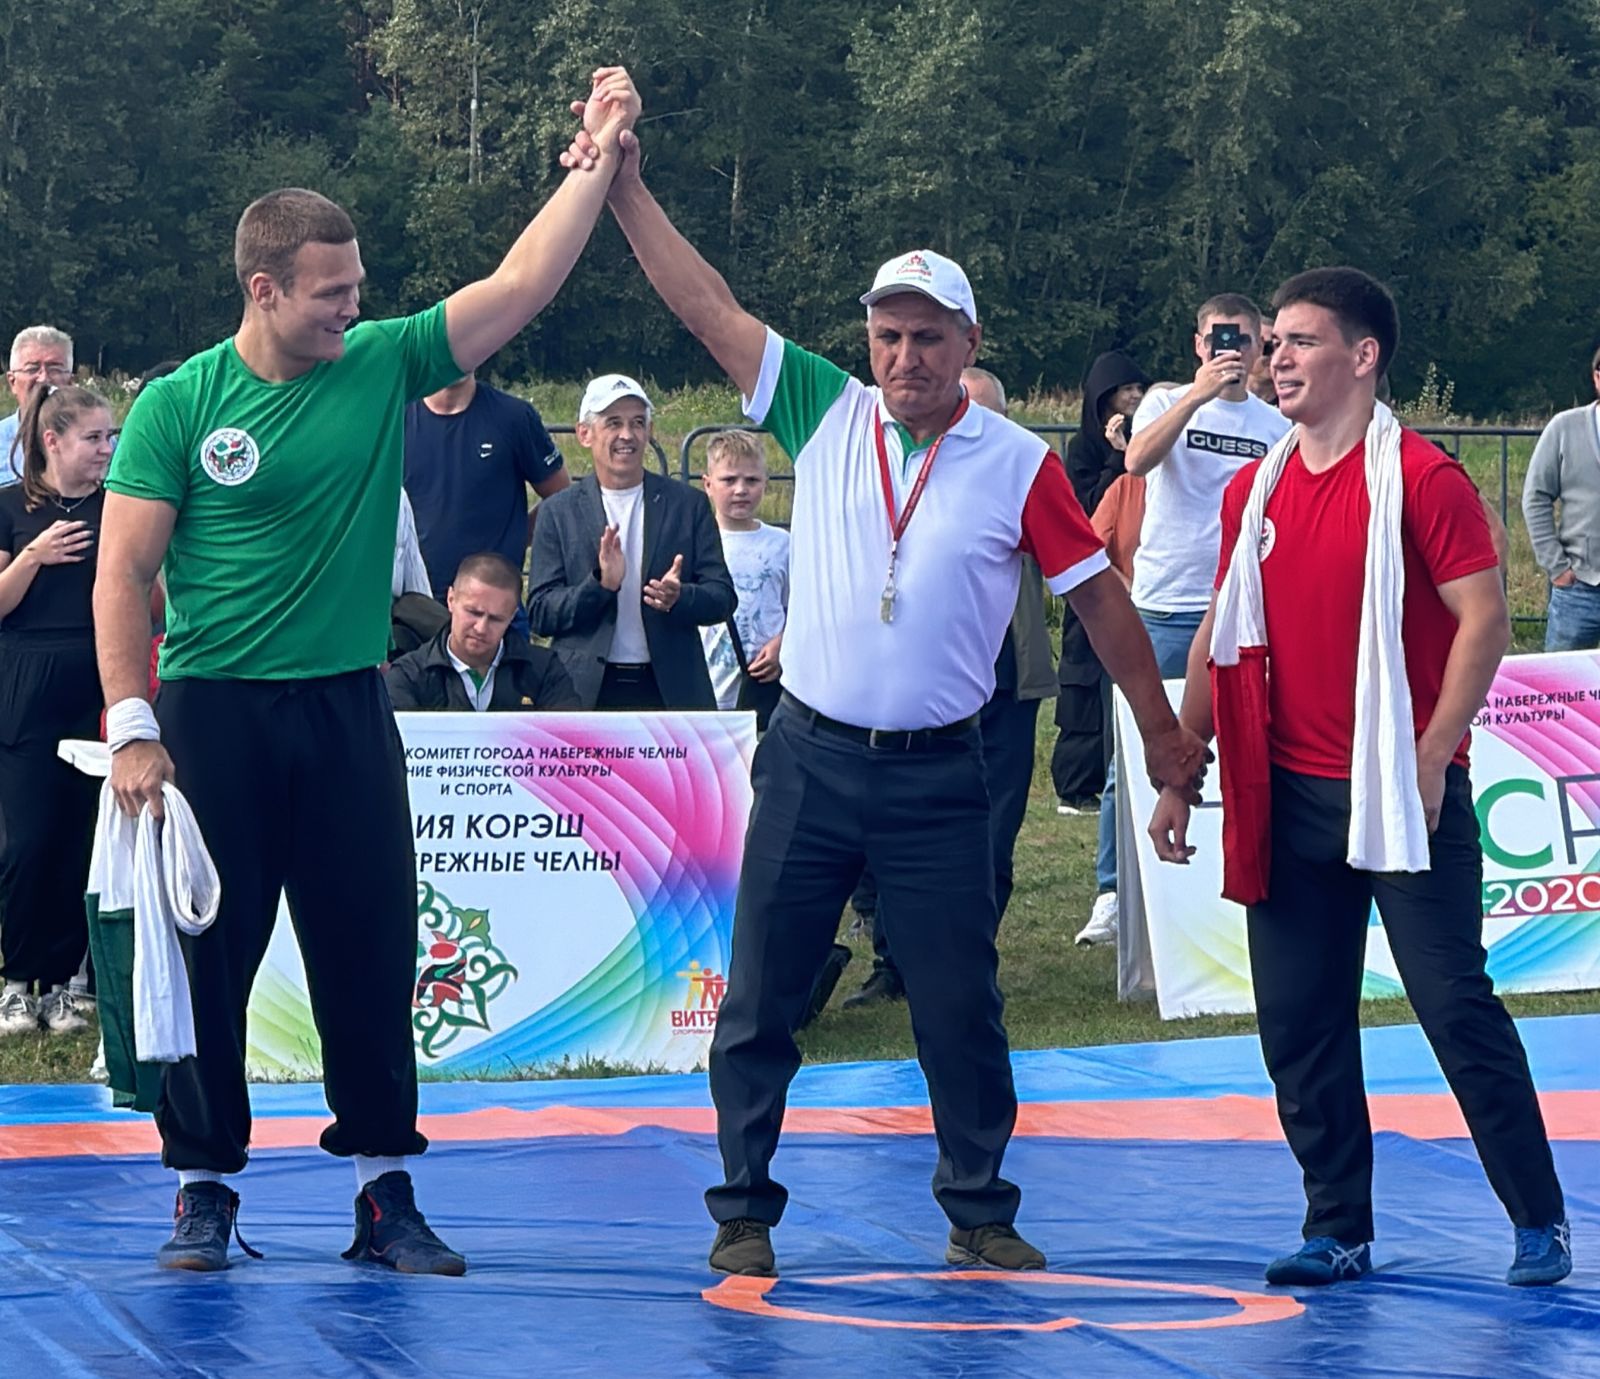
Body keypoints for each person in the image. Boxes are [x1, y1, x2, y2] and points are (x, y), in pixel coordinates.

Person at [562, 106, 1209, 1279]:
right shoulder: (824, 407)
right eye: (886, 334)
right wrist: (625, 190)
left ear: (969, 342)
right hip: (810, 758)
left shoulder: (1017, 462)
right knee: (761, 996)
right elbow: (707, 308)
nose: (903, 357)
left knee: (958, 1002)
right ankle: (742, 1208)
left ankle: (979, 1208)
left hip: (941, 773)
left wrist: (1161, 734)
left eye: (926, 337)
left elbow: (1102, 603)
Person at [93, 66, 643, 1275]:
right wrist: (133, 720)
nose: (355, 306)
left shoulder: (380, 360)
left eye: (358, 288)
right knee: (205, 956)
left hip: (347, 703)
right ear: (265, 289)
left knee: (370, 944)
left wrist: (598, 162)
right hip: (213, 713)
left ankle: (383, 1191)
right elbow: (123, 573)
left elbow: (519, 284)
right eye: (332, 292)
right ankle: (202, 1189)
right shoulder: (179, 404)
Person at [1149, 266, 1571, 1289]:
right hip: (1287, 791)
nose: (1275, 358)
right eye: (1273, 343)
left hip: (1400, 790)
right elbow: (1217, 633)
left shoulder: (1421, 476)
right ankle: (1337, 1224)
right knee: (1299, 1021)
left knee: (1454, 1006)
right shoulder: (1255, 488)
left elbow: (1486, 620)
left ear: (1363, 355)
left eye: (1298, 340)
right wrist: (1179, 768)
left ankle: (1539, 1218)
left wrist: (1431, 753)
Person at [839, 366, 1060, 1011]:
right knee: (897, 827)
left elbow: (1078, 568)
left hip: (1008, 681)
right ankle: (893, 964)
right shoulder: (898, 484)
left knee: (993, 832)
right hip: (923, 688)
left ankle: (967, 962)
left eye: (986, 415)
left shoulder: (1021, 474)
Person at [1079, 296, 1290, 947]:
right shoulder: (1165, 401)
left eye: (1245, 340)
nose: (1232, 351)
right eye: (1220, 338)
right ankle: (1114, 890)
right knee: (1136, 751)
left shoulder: (1274, 423)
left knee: (1248, 746)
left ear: (1260, 348)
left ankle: (1232, 881)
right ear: (1199, 344)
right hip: (1166, 605)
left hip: (1241, 605)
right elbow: (1137, 461)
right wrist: (1198, 395)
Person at [0, 384, 113, 1036]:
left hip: (94, 675)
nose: (106, 449)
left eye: (110, 437)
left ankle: (69, 982)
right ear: (53, 441)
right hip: (26, 678)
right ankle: (19, 979)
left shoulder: (117, 507)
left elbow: (150, 600)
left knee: (82, 838)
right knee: (28, 839)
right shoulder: (9, 506)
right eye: (94, 437)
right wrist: (34, 557)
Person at [527, 373, 735, 709]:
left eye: (638, 423)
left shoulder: (688, 505)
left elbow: (723, 598)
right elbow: (540, 613)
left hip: (671, 691)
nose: (627, 434)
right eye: (613, 423)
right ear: (584, 433)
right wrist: (599, 585)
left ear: (649, 431)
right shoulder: (557, 511)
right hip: (582, 693)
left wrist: (679, 597)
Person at [403, 371, 570, 636]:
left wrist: (520, 537)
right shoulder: (395, 419)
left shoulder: (513, 416)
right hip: (416, 608)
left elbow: (561, 496)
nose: (455, 357)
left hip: (494, 609)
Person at [1054, 351, 1148, 815]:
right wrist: (1115, 457)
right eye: (1125, 389)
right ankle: (1075, 784)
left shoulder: (1147, 439)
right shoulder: (1084, 450)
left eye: (1138, 389)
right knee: (1083, 677)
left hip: (1131, 572)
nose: (1133, 397)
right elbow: (1086, 507)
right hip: (1090, 571)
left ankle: (1121, 768)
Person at [386, 552, 579, 711]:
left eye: (496, 619)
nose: (481, 628)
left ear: (512, 616)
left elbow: (568, 740)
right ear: (451, 600)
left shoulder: (544, 670)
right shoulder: (408, 675)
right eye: (473, 612)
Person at [698, 429, 789, 729]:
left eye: (751, 480)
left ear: (766, 483)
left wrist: (783, 644)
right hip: (708, 684)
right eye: (729, 480)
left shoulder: (782, 545)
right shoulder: (694, 541)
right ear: (708, 484)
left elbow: (801, 609)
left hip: (765, 686)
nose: (741, 490)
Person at [1522, 344, 1600, 651]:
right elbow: (1535, 497)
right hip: (1579, 588)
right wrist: (1557, 567)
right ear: (1597, 378)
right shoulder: (1564, 428)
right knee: (1562, 679)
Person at [1, 326, 75, 486]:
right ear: (12, 382)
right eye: (32, 369)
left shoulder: (100, 443)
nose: (43, 378)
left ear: (70, 381)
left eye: (55, 369)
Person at [1248, 312, 1278, 404]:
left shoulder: (1293, 402)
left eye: (1277, 346)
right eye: (1266, 347)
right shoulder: (1224, 399)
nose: (1272, 355)